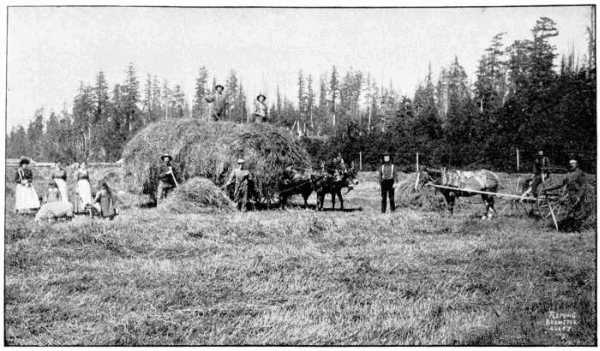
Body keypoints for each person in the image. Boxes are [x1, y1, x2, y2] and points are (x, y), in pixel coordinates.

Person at [543, 159, 588, 231]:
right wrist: (548, 189)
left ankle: (579, 230)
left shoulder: (580, 173)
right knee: (570, 211)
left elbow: (583, 186)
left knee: (578, 212)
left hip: (577, 194)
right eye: (570, 164)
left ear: (576, 164)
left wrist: (579, 196)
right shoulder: (568, 174)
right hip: (570, 194)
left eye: (573, 164)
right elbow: (560, 184)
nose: (571, 165)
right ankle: (572, 229)